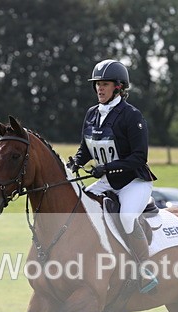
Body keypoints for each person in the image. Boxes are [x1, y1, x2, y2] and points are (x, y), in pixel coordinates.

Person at [67, 59, 158, 294]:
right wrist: (77, 161)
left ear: (118, 87)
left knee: (127, 218)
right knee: (79, 208)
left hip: (133, 183)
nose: (99, 88)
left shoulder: (131, 116)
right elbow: (85, 148)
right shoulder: (91, 114)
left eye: (105, 84)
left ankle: (145, 270)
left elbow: (139, 157)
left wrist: (107, 168)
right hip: (108, 181)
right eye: (97, 84)